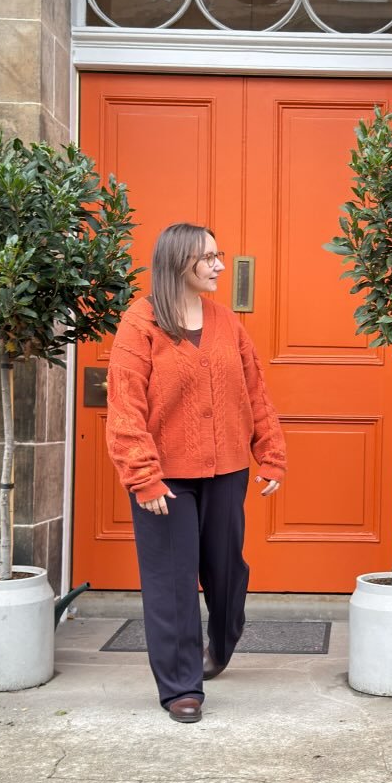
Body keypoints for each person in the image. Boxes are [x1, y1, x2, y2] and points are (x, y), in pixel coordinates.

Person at [105, 223, 286, 724]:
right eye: (208, 257)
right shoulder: (139, 323)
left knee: (227, 573)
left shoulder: (226, 322)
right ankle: (182, 686)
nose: (219, 265)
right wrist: (142, 475)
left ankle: (221, 642)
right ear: (178, 261)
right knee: (172, 582)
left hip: (227, 470)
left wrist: (270, 452)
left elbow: (255, 392)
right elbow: (125, 407)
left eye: (218, 255)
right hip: (165, 480)